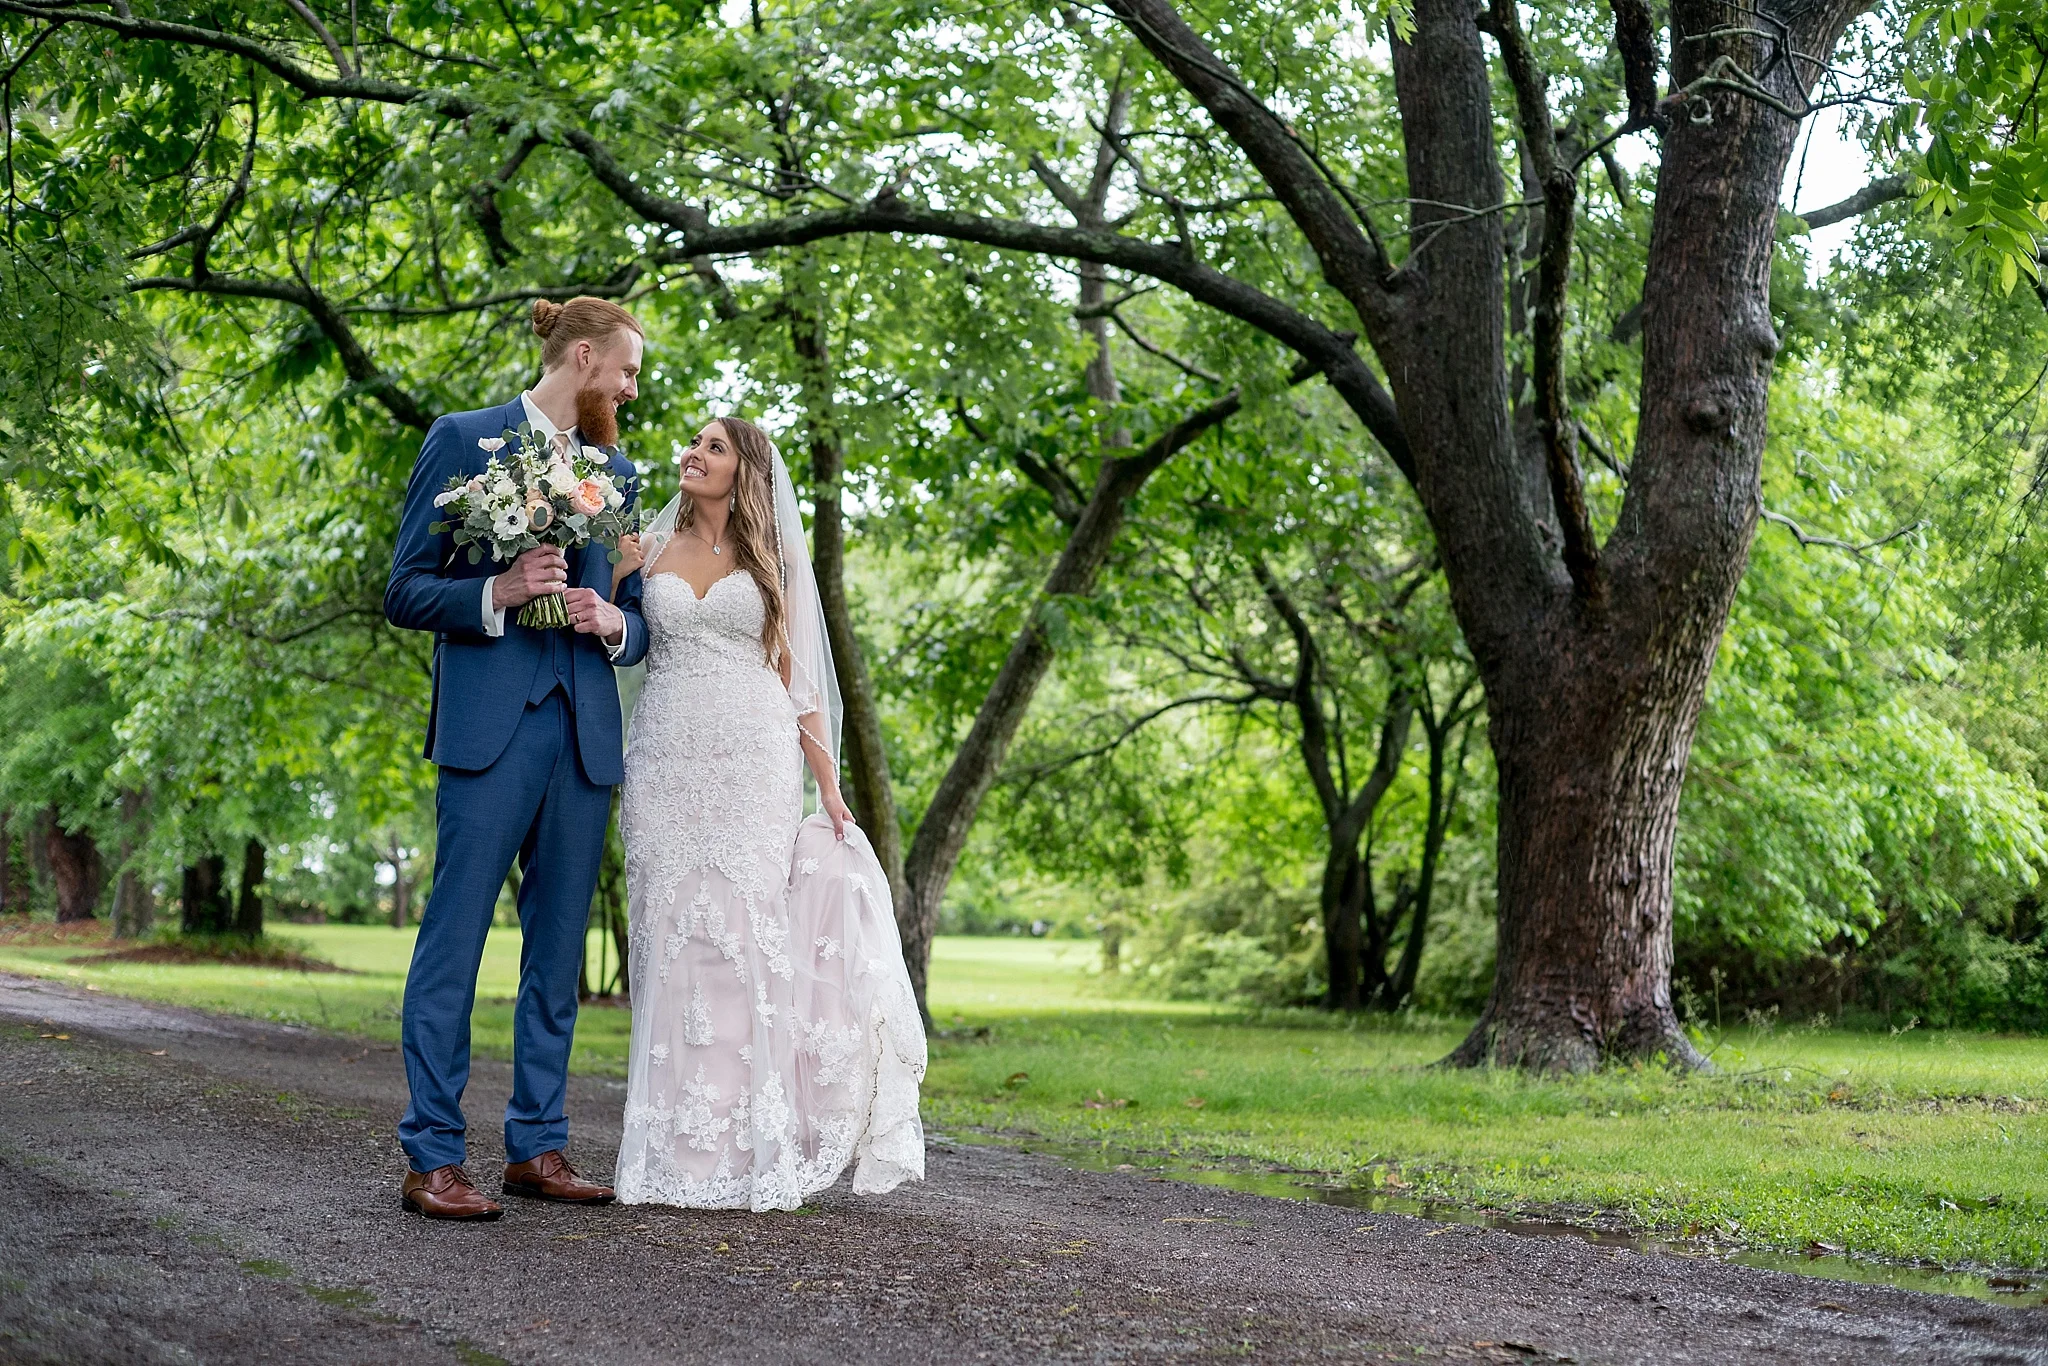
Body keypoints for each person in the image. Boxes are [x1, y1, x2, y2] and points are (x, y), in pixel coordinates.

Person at [607, 415, 925, 1210]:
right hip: (666, 758)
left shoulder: (776, 562)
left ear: (744, 469)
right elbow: (619, 631)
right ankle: (669, 1148)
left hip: (753, 758)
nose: (694, 454)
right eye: (693, 443)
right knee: (666, 937)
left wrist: (828, 784)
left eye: (713, 446)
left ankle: (752, 1148)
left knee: (745, 939)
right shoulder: (646, 550)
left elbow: (802, 681)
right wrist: (615, 577)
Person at [382, 296, 650, 1220]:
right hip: (489, 727)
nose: (630, 388)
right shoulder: (464, 440)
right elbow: (405, 588)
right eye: (625, 371)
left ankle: (537, 1147)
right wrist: (494, 590)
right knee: (453, 941)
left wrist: (618, 622)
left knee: (557, 954)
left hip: (582, 733)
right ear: (583, 357)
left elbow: (643, 611)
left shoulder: (617, 472)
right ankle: (432, 1158)